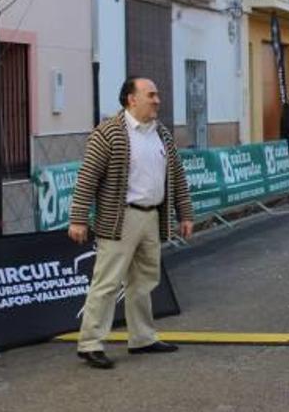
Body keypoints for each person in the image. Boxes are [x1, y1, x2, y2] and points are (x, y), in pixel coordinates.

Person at [69, 76, 194, 370]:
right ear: (131, 99)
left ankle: (142, 338)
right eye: (151, 94)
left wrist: (185, 213)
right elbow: (88, 177)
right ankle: (90, 343)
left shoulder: (161, 133)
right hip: (120, 218)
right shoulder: (109, 133)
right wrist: (78, 218)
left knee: (144, 281)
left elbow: (176, 176)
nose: (157, 100)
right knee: (107, 282)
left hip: (151, 216)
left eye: (157, 94)